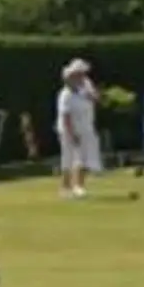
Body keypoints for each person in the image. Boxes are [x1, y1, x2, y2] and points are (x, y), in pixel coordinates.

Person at [56, 59, 99, 199]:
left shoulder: (86, 85)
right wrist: (72, 134)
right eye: (79, 74)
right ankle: (65, 187)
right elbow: (65, 116)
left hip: (86, 126)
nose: (82, 77)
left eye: (83, 74)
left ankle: (79, 186)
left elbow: (95, 99)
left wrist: (91, 96)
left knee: (83, 158)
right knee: (68, 158)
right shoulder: (65, 95)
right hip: (69, 130)